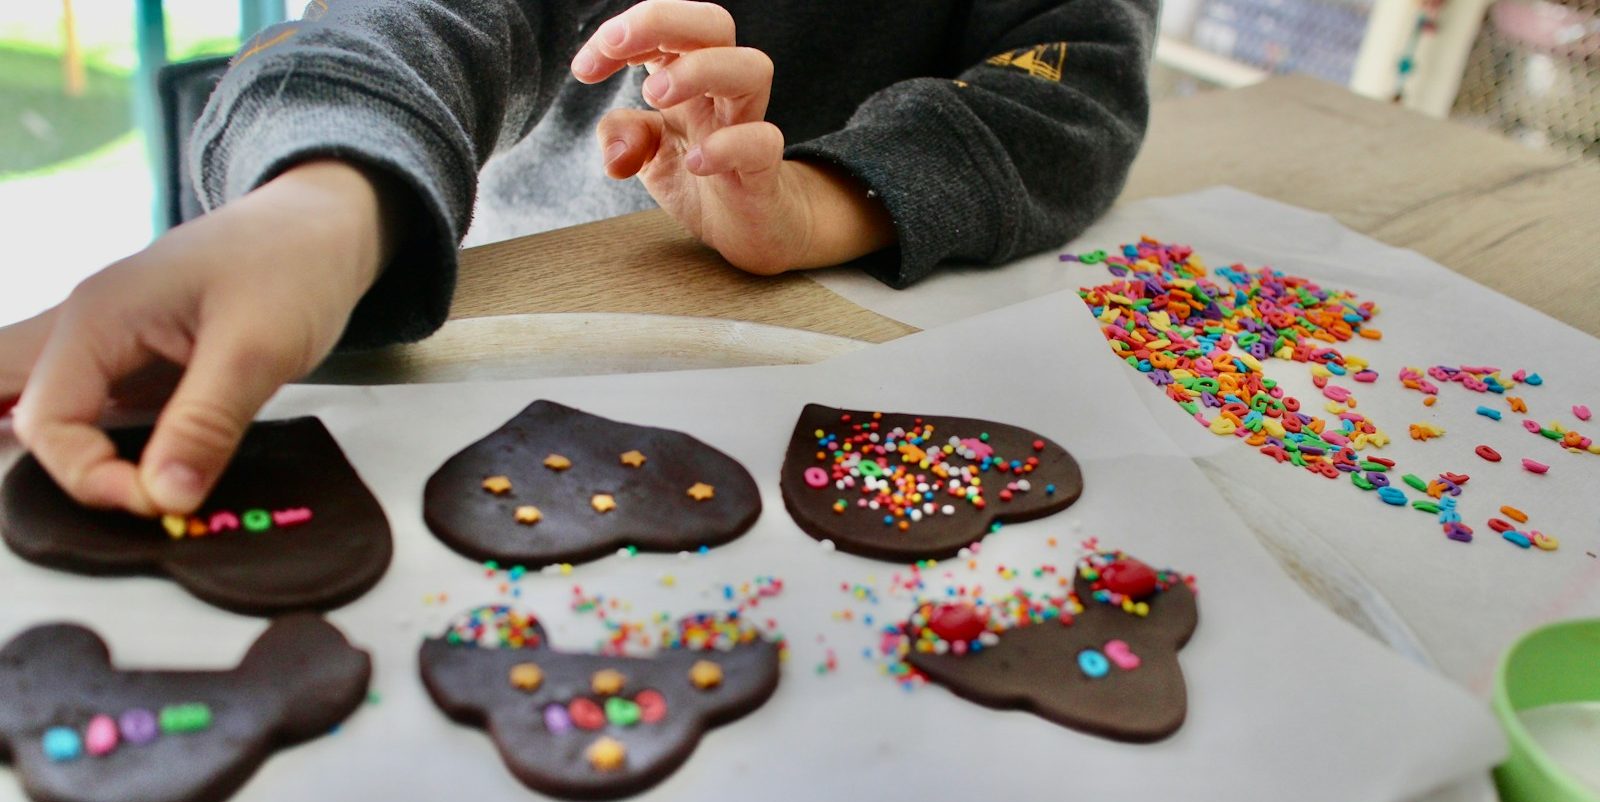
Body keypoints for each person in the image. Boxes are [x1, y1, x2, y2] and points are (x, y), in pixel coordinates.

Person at [0, 0, 1156, 518]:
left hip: (903, 338)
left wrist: (822, 197)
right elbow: (415, 23)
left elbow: (1076, 71)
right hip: (506, 334)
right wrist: (322, 207)